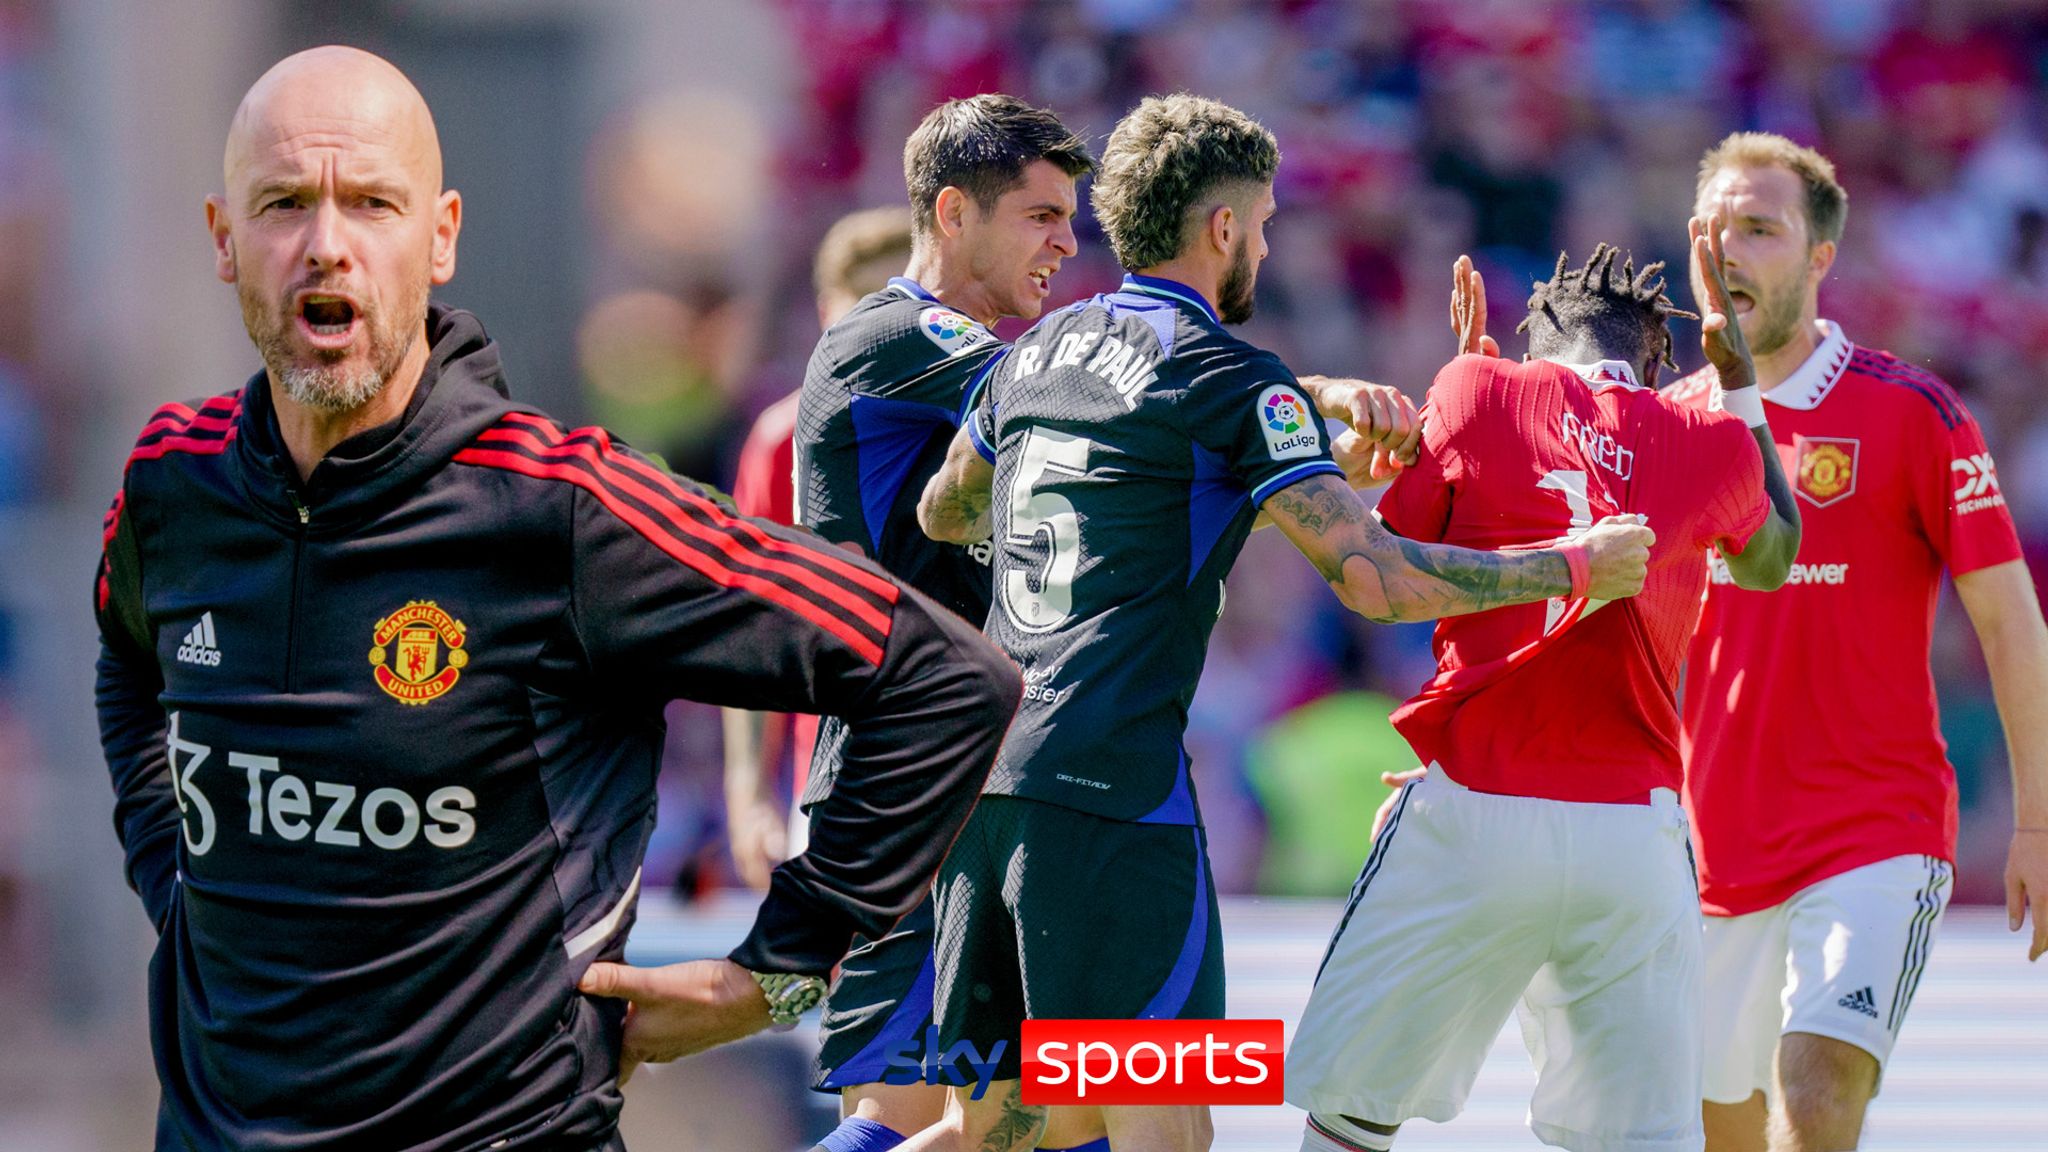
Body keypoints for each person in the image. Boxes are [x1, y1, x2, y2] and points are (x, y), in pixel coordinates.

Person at [92, 46, 1020, 1152]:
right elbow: (126, 665)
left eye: (370, 204)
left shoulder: (566, 510)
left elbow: (943, 677)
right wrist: (173, 883)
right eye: (284, 203)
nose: (325, 244)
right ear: (222, 238)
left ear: (438, 237)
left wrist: (773, 972)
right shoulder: (170, 482)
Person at [905, 92, 1655, 1152]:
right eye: (1260, 225)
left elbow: (947, 505)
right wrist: (1566, 566)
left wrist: (1217, 469)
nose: (1262, 243)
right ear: (1220, 228)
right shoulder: (1230, 381)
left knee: (999, 1134)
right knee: (1170, 1131)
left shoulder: (1034, 354)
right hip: (1112, 798)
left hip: (984, 786)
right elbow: (1376, 581)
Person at [1285, 227, 1802, 1152]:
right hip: (1633, 838)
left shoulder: (1475, 389)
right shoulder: (1714, 440)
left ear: (1532, 342)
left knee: (1350, 1121)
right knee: (1635, 1142)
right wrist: (1738, 383)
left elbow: (1392, 573)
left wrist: (1453, 405)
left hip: (1476, 808)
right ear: (1656, 358)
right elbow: (1774, 561)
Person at [1665, 132, 2048, 1152]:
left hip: (1869, 830)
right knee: (1716, 1129)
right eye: (1714, 231)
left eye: (1761, 229)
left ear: (1817, 259)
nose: (1732, 252)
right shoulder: (1663, 427)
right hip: (1703, 849)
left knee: (1819, 1086)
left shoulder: (1909, 411)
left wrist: (2039, 825)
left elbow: (2010, 624)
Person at [792, 96, 1095, 1152]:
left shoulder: (973, 381)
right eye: (1042, 215)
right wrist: (1294, 410)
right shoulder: (895, 335)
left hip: (976, 779)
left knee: (1014, 1123)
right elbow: (1101, 400)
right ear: (954, 212)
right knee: (914, 1117)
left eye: (1072, 218)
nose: (1066, 241)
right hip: (912, 776)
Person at [722, 204, 915, 891]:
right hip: (836, 790)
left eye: (897, 299)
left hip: (967, 777)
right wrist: (749, 797)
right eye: (864, 302)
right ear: (825, 311)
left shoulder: (974, 430)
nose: (881, 323)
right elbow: (756, 629)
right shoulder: (782, 444)